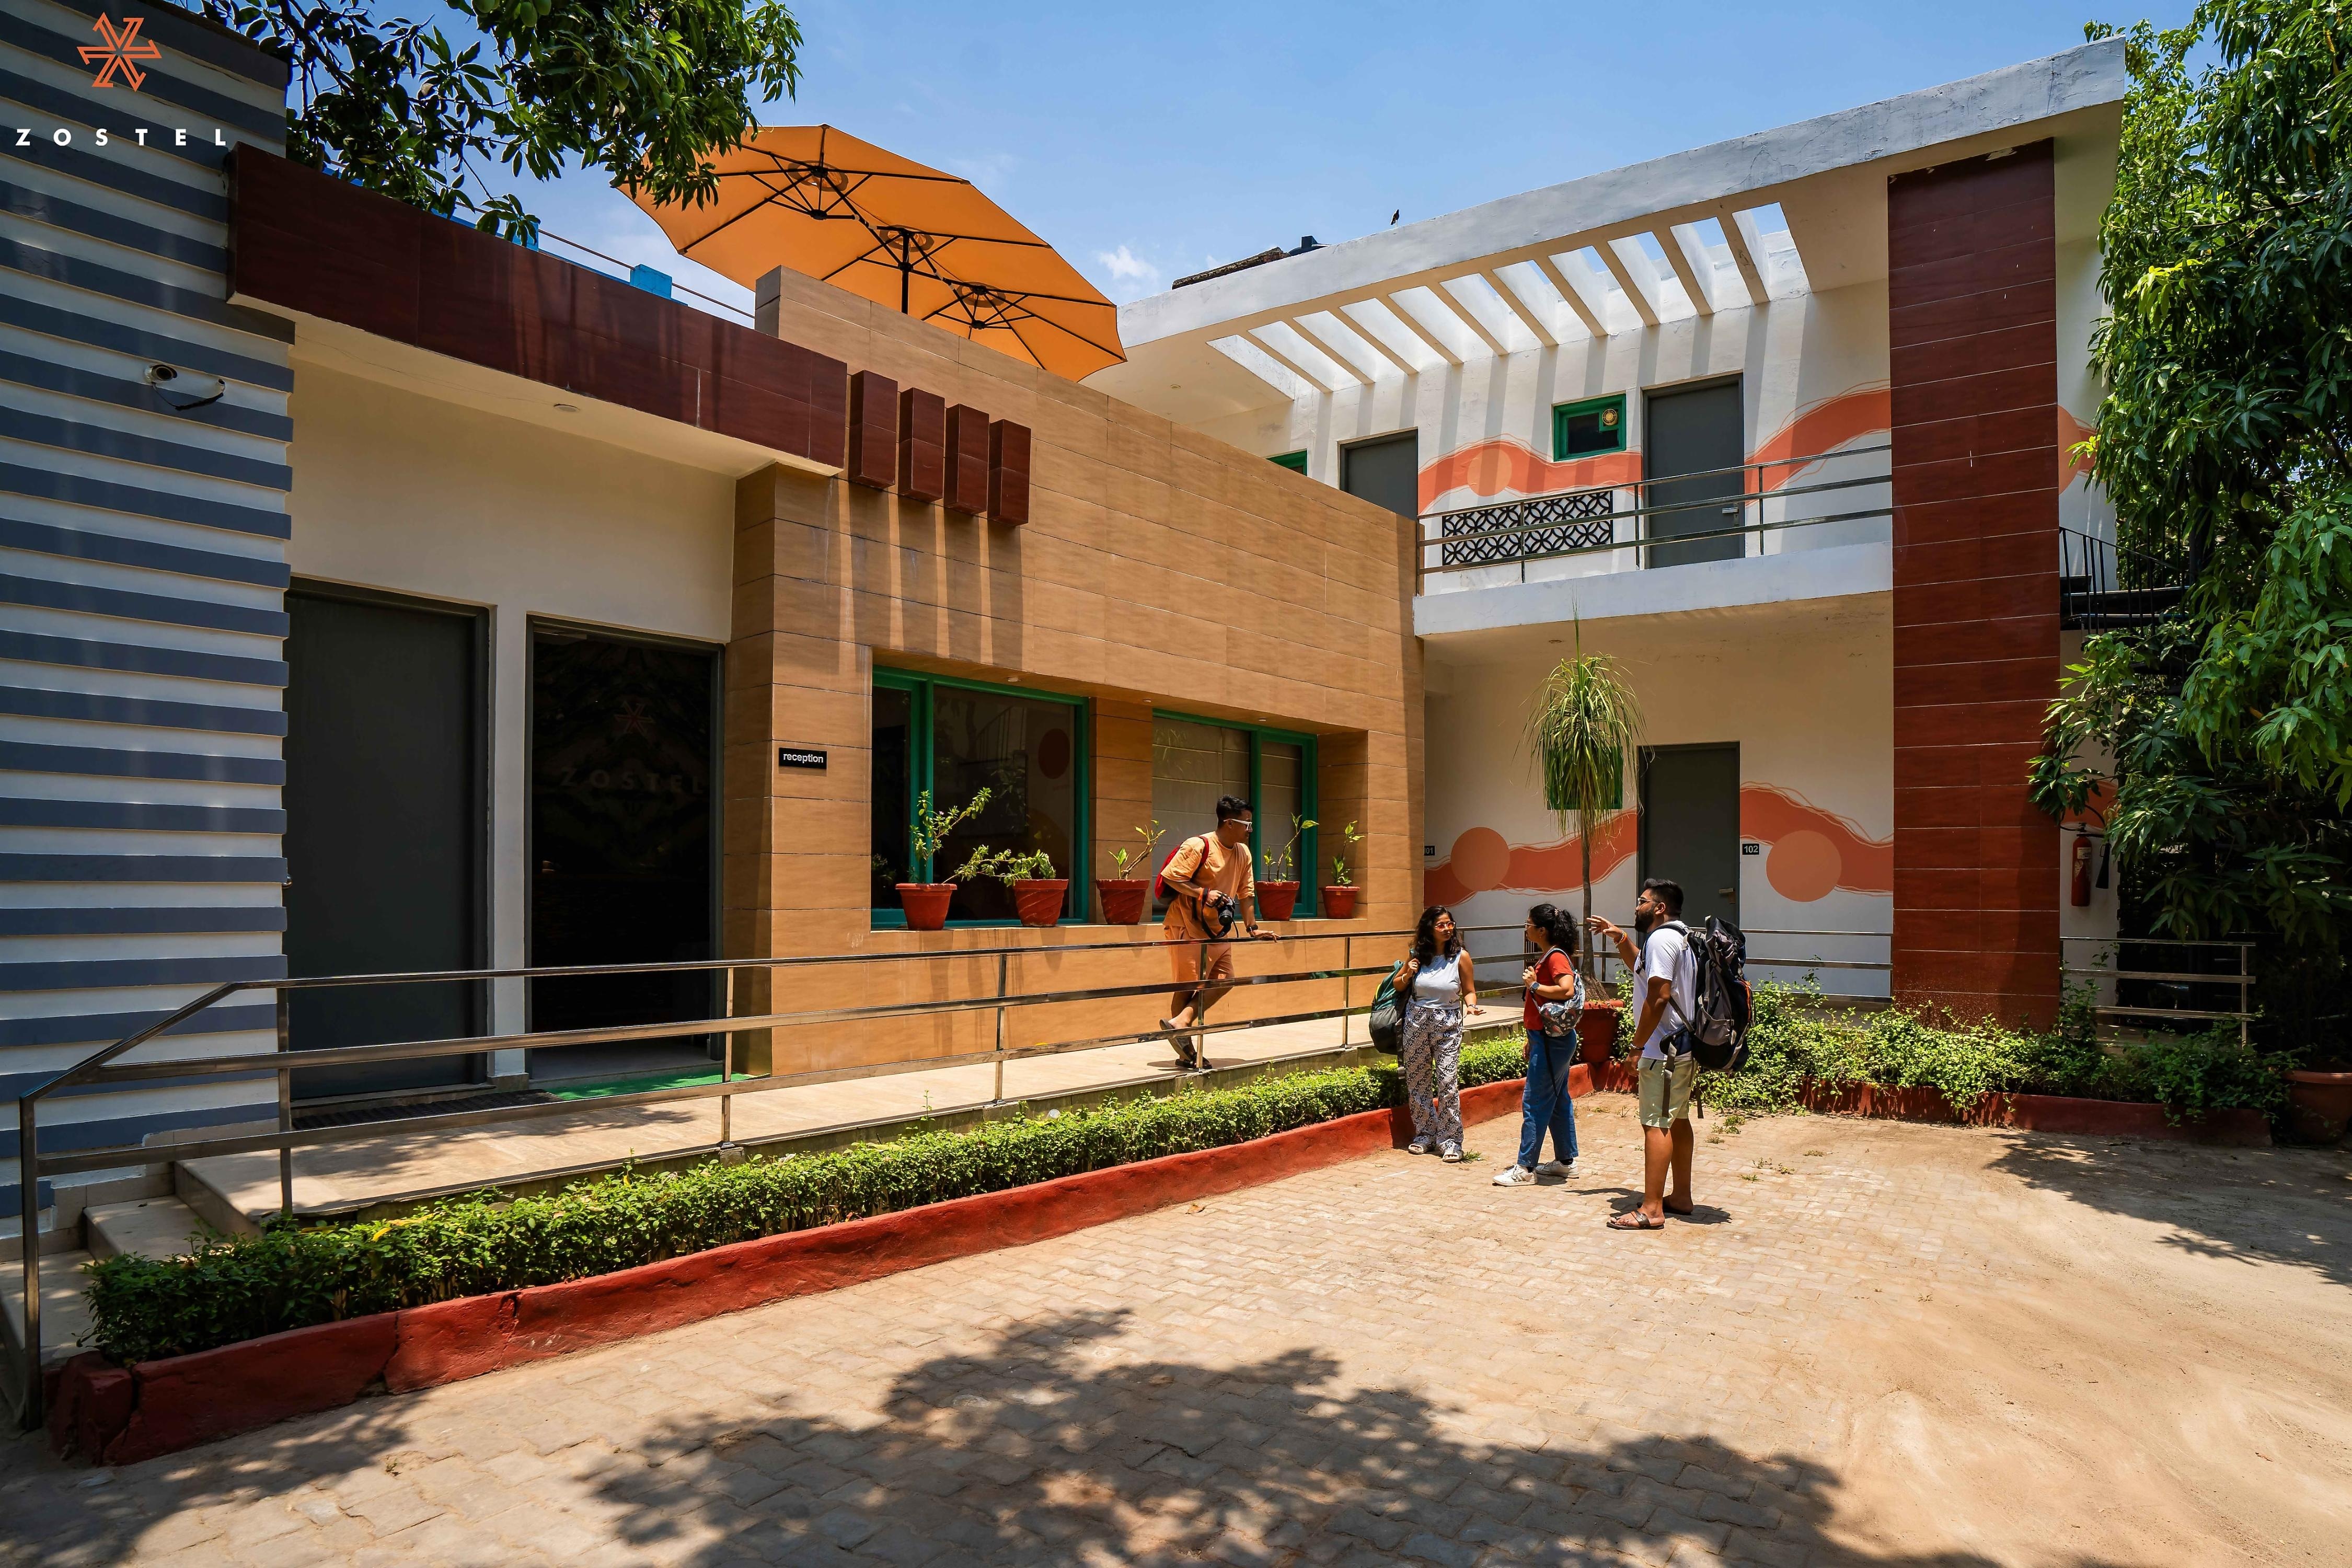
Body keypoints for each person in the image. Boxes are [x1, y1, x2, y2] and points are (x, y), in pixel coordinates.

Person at [1588, 878, 1698, 1229]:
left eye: (1642, 901)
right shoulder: (1681, 936)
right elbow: (1643, 967)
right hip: (1681, 1047)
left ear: (1659, 908)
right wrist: (1621, 938)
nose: (1637, 906)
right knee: (1677, 1120)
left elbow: (1659, 995)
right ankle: (1681, 1196)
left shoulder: (1662, 939)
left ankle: (1651, 1210)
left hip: (1663, 1050)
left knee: (1656, 1124)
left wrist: (1637, 1046)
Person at [1158, 795, 1278, 1069]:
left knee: (1225, 980)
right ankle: (1186, 1053)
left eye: (1251, 824)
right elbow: (1171, 877)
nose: (1251, 830)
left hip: (1218, 929)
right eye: (1246, 824)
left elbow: (1246, 893)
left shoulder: (1243, 853)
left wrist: (1253, 928)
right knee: (1187, 985)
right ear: (1229, 823)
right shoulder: (1198, 845)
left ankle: (1180, 1022)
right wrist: (1203, 893)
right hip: (1186, 925)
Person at [1493, 903, 1585, 1187]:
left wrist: (1533, 985)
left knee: (1534, 1102)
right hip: (1547, 1039)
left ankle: (1526, 1168)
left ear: (1542, 930)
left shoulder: (1555, 957)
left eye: (1529, 924)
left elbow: (1566, 989)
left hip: (1550, 1042)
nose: (1526, 928)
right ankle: (1565, 1162)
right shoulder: (1552, 954)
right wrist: (1531, 1038)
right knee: (1557, 1100)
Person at [1391, 905, 1484, 1161]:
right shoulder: (1417, 955)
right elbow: (1398, 985)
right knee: (1417, 1080)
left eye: (1450, 924)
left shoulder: (1461, 957)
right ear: (1429, 928)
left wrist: (1471, 1006)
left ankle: (1451, 1140)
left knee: (1447, 1081)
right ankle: (1425, 1135)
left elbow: (1469, 990)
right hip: (1416, 1020)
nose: (1447, 929)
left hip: (1448, 1021)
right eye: (1441, 925)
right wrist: (1408, 973)